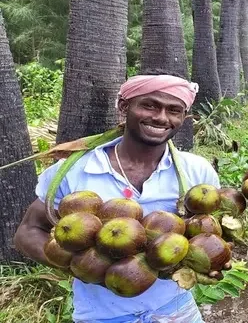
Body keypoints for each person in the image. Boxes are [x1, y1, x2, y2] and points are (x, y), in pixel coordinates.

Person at [13, 71, 221, 323]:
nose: (161, 117)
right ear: (124, 106)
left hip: (175, 310)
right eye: (149, 105)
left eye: (174, 110)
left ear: (183, 117)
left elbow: (207, 233)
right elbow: (28, 231)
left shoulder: (196, 172)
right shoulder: (74, 170)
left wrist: (210, 260)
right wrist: (83, 267)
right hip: (100, 316)